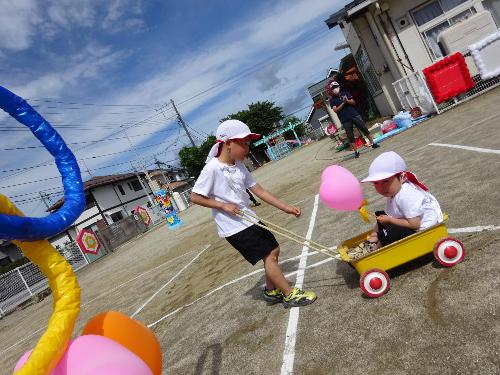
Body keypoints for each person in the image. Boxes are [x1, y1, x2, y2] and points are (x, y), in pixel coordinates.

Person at [191, 119, 317, 308]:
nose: (247, 149)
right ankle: (289, 294)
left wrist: (286, 207)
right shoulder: (212, 169)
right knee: (270, 255)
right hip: (233, 226)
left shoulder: (239, 166)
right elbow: (195, 197)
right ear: (227, 144)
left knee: (273, 250)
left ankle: (270, 289)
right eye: (244, 144)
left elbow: (259, 190)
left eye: (248, 144)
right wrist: (222, 206)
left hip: (248, 218)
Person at [359, 151, 443, 252]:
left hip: (423, 227)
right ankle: (373, 238)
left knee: (390, 231)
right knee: (381, 215)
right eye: (376, 183)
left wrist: (390, 220)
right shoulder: (395, 191)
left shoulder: (406, 196)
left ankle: (375, 250)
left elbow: (415, 225)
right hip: (410, 220)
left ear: (402, 177)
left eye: (385, 181)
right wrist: (387, 219)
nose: (381, 187)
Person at [328, 81, 379, 158]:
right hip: (345, 119)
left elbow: (353, 102)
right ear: (331, 90)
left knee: (364, 129)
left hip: (354, 115)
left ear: (339, 86)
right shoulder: (332, 100)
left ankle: (373, 143)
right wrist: (343, 103)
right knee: (350, 136)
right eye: (333, 88)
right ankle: (356, 152)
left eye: (336, 87)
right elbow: (335, 110)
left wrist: (347, 101)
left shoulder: (345, 93)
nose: (335, 89)